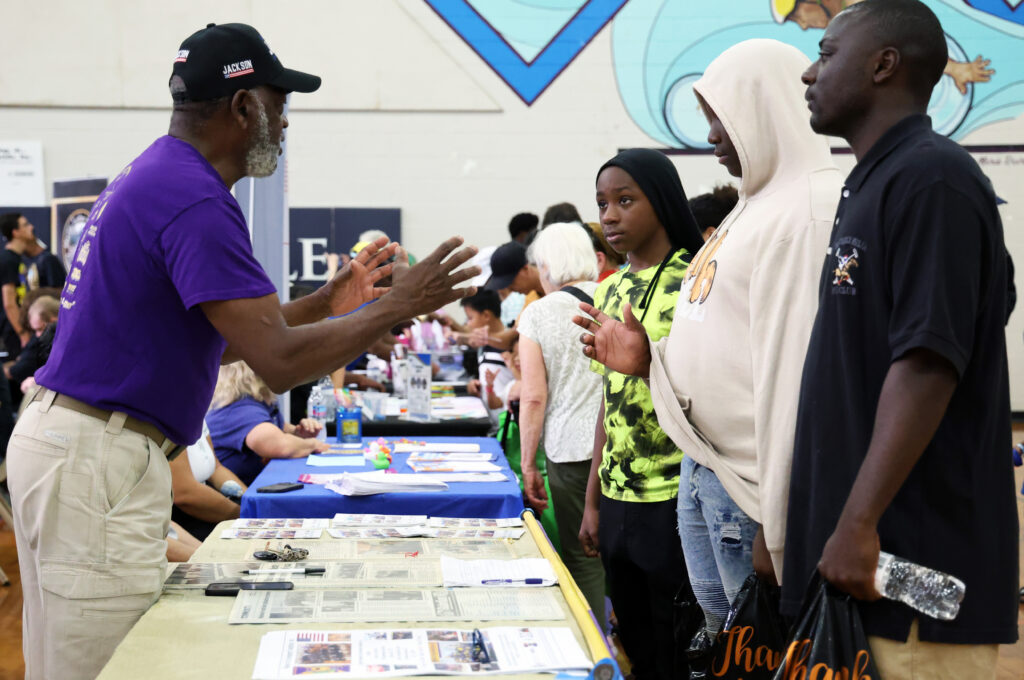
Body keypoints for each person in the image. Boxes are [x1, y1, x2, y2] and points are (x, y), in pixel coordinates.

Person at [6, 22, 480, 680]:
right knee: (107, 667)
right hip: (95, 456)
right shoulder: (193, 198)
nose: (286, 124)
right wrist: (399, 305)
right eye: (281, 104)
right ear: (244, 106)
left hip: (79, 446)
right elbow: (278, 361)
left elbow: (228, 337)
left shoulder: (161, 177)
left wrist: (325, 304)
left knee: (74, 659)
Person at [575, 39, 842, 641]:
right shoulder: (752, 208)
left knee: (755, 648)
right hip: (708, 475)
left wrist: (777, 525)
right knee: (720, 647)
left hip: (751, 491)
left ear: (766, 106)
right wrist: (649, 364)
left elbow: (794, 376)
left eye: (720, 117)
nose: (713, 136)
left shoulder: (807, 209)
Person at [784, 1, 1017, 676]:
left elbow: (927, 364)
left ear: (884, 64)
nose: (808, 72)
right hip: (858, 573)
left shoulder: (932, 178)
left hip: (911, 586)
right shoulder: (877, 181)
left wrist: (857, 523)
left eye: (826, 54)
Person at [578, 148, 704, 680]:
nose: (609, 215)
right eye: (603, 203)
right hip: (616, 496)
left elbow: (711, 391)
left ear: (662, 201)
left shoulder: (697, 280)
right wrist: (591, 501)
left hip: (677, 496)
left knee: (678, 646)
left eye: (625, 201)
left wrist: (648, 362)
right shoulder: (607, 288)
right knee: (633, 645)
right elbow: (609, 404)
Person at [516, 223, 606, 626]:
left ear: (548, 264)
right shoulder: (615, 296)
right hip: (622, 449)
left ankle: (597, 647)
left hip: (571, 451)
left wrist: (529, 464)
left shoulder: (537, 314)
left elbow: (533, 396)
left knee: (582, 556)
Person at [206, 361, 330, 485]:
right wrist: (312, 444)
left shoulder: (258, 403)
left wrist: (299, 433)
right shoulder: (239, 409)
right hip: (236, 496)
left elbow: (280, 428)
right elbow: (280, 446)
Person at [169, 419, 248, 540]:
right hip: (182, 516)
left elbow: (215, 468)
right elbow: (184, 494)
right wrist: (246, 515)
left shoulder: (196, 413)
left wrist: (250, 502)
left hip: (201, 506)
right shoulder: (170, 418)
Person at [459, 290, 515, 427]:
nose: (468, 324)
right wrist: (478, 384)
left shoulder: (511, 343)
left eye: (470, 318)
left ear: (486, 315)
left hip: (508, 422)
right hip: (491, 420)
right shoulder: (484, 345)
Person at [0, 212, 33, 354]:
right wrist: (22, 333)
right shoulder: (8, 260)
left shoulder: (16, 257)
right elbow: (9, 303)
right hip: (13, 331)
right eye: (25, 225)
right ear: (16, 232)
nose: (31, 227)